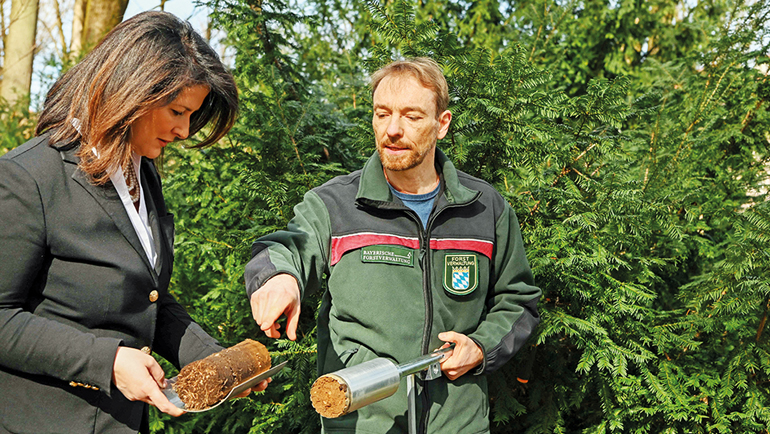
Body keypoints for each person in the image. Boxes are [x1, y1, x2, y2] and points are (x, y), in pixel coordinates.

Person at [0, 11, 265, 434]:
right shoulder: (26, 178)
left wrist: (212, 359)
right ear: (132, 91)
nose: (184, 131)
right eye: (178, 111)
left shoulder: (142, 173)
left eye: (192, 116)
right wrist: (107, 362)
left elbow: (146, 295)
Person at [245, 57, 542, 433]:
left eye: (412, 117)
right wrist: (280, 278)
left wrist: (481, 347)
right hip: (361, 423)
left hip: (458, 423)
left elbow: (519, 300)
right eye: (382, 114)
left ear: (442, 124)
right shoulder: (335, 205)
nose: (393, 130)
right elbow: (286, 247)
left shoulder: (485, 208)